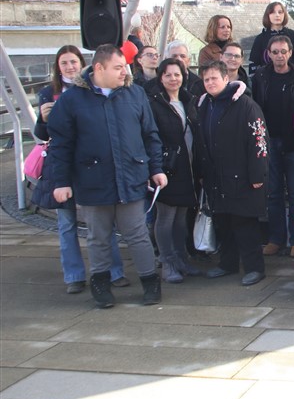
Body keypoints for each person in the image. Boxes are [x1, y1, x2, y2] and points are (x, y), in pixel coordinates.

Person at [47, 44, 166, 308]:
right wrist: (62, 182)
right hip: (92, 180)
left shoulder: (135, 94)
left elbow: (150, 135)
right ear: (99, 68)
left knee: (137, 234)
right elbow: (61, 144)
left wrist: (156, 168)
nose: (125, 72)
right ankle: (100, 285)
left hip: (131, 177)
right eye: (118, 67)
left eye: (125, 67)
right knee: (98, 237)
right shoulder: (72, 99)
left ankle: (150, 282)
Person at [35, 45, 128, 294]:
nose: (69, 67)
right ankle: (74, 275)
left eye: (73, 61)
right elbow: (42, 134)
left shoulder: (94, 89)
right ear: (58, 67)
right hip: (63, 164)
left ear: (82, 63)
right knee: (67, 224)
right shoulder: (47, 93)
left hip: (92, 166)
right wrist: (43, 119)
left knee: (103, 223)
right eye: (64, 63)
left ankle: (114, 271)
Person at [195, 61, 269, 286]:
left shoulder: (246, 105)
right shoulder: (204, 105)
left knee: (245, 224)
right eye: (206, 79)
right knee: (223, 222)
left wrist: (258, 175)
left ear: (226, 79)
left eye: (214, 78)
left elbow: (259, 141)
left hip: (243, 177)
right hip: (215, 178)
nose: (210, 83)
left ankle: (255, 268)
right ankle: (227, 263)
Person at [147, 58, 202, 283]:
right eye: (168, 75)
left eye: (177, 74)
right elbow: (151, 138)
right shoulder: (154, 104)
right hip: (167, 170)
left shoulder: (189, 101)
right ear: (160, 78)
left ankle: (181, 258)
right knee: (165, 218)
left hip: (188, 169)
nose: (173, 79)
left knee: (181, 219)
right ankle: (167, 261)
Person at [252, 34, 294, 257]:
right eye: (275, 52)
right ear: (268, 54)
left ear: (290, 52)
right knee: (273, 193)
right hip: (270, 141)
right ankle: (276, 239)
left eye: (284, 51)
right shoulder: (261, 76)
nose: (279, 56)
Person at [249, 1, 294, 76]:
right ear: (268, 15)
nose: (277, 15)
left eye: (280, 12)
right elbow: (254, 63)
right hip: (266, 79)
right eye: (273, 12)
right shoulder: (260, 39)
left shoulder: (293, 36)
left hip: (291, 78)